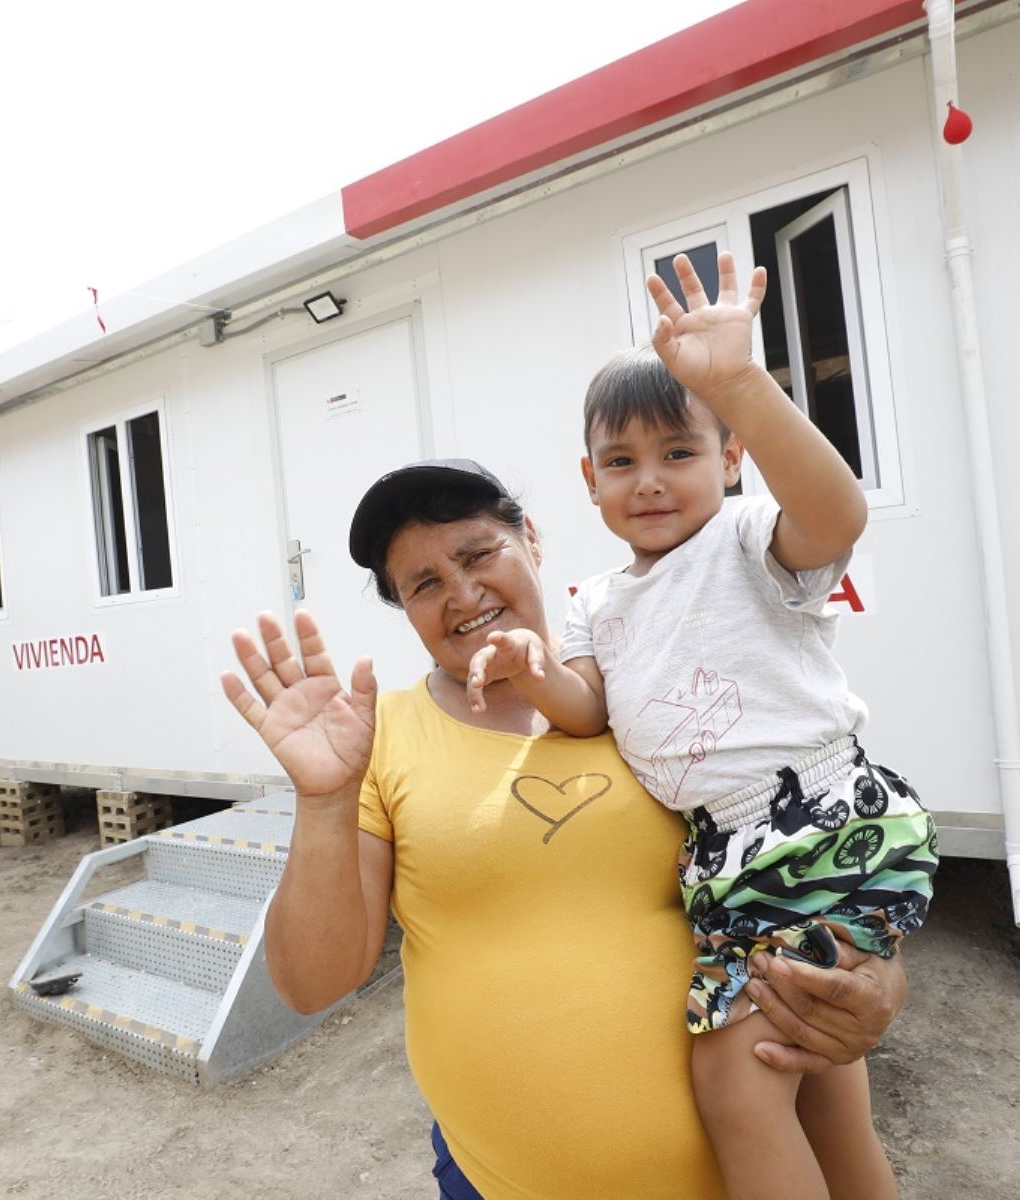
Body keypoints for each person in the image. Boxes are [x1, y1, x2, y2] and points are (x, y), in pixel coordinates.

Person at [220, 461, 911, 1200]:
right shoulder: (378, 737)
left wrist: (880, 982)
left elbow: (814, 848)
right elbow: (311, 983)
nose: (462, 593)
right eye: (423, 584)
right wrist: (324, 800)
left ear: (533, 541)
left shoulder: (657, 680)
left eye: (479, 554)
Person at [462, 252, 935, 1200]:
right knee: (822, 1083)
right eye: (622, 462)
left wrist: (743, 385)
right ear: (588, 480)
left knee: (737, 1077)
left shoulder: (748, 541)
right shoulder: (597, 599)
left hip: (814, 821)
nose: (650, 481)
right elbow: (590, 705)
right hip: (725, 862)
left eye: (680, 453)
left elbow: (836, 514)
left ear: (730, 458)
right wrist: (536, 665)